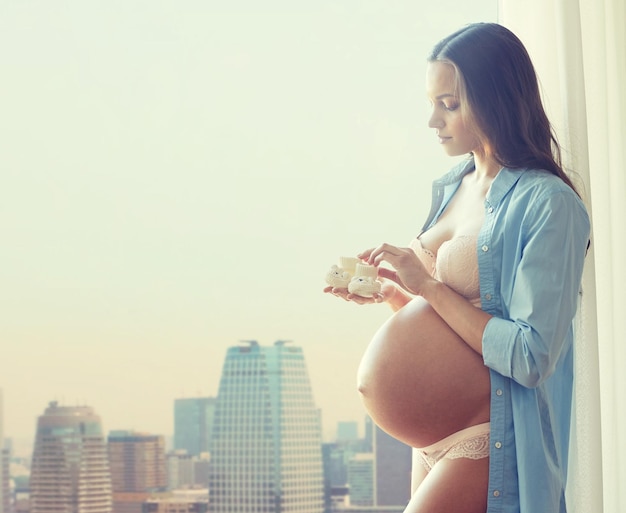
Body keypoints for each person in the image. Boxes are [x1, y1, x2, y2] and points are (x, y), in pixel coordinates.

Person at [325, 22, 590, 513]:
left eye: (449, 105)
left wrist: (426, 285)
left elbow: (531, 356)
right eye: (432, 103)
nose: (433, 121)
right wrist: (395, 297)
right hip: (430, 442)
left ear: (497, 101)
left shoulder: (548, 204)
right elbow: (453, 322)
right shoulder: (452, 186)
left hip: (489, 433)